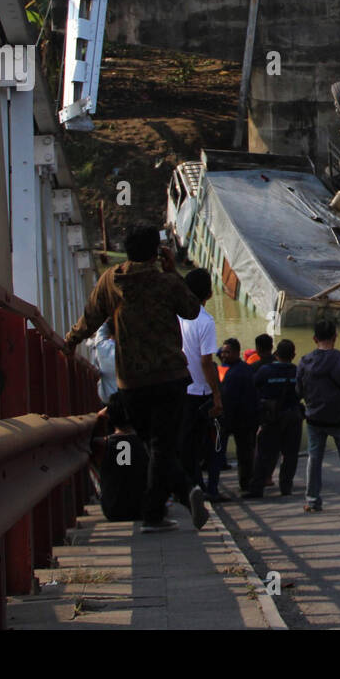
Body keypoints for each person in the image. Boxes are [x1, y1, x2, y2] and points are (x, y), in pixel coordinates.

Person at [63, 223, 209, 533]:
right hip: (170, 376)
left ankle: (160, 511)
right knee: (162, 446)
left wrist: (69, 341)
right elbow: (193, 311)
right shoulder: (165, 282)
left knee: (152, 445)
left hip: (132, 382)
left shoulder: (112, 280)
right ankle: (180, 495)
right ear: (157, 251)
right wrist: (172, 272)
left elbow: (90, 318)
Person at [295, 320, 340, 511]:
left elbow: (298, 391)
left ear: (314, 338)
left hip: (314, 418)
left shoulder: (305, 361)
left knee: (314, 458)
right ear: (335, 336)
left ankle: (312, 500)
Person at [178, 268, 226, 502]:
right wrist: (217, 395)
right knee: (212, 441)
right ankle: (210, 489)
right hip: (201, 392)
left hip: (181, 391)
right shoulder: (205, 321)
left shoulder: (177, 317)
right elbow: (207, 361)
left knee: (187, 444)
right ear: (209, 293)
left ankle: (192, 487)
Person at [244, 339, 303, 499]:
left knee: (265, 453)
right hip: (293, 416)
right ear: (293, 355)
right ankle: (286, 487)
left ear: (276, 354)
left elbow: (254, 387)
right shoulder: (297, 371)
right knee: (290, 454)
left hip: (271, 417)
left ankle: (257, 488)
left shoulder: (265, 371)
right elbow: (302, 392)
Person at [218, 338, 258, 493]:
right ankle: (246, 482)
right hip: (241, 417)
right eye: (223, 352)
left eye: (227, 352)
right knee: (244, 452)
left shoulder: (237, 372)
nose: (223, 355)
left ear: (236, 352)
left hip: (239, 418)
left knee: (243, 453)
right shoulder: (244, 369)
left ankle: (245, 482)